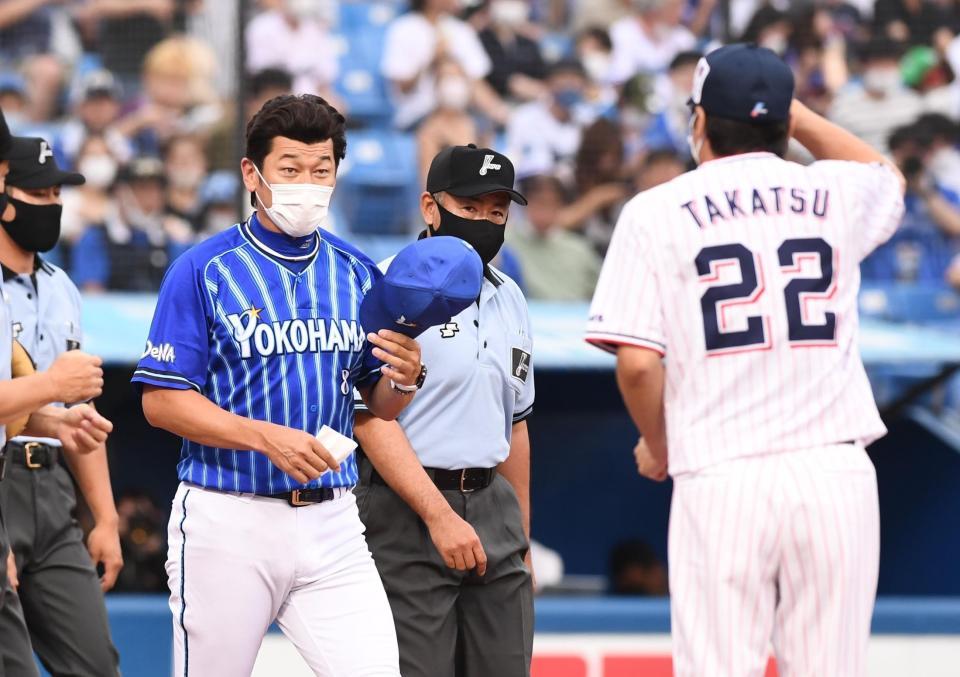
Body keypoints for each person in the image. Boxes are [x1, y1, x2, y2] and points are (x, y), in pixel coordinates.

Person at [586, 44, 905, 676]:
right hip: (833, 470)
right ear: (786, 123)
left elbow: (639, 366)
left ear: (699, 122)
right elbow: (883, 173)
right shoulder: (831, 192)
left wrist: (662, 441)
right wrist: (794, 115)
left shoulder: (655, 211)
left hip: (724, 473)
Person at [132, 93, 425, 676]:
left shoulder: (358, 271)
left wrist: (407, 378)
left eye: (322, 170)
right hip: (228, 514)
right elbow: (162, 401)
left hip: (335, 519)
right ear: (253, 172)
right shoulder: (203, 268)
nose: (307, 184)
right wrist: (265, 437)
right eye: (290, 169)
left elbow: (379, 404)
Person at [354, 144, 535, 677]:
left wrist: (520, 535)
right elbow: (367, 416)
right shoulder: (385, 284)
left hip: (492, 505)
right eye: (471, 207)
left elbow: (517, 424)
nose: (485, 221)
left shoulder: (510, 296)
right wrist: (438, 515)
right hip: (406, 510)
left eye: (497, 212)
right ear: (431, 208)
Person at [1, 135, 122, 676]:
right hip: (2, 480)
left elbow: (82, 419)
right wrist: (52, 387)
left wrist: (106, 517)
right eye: (37, 193)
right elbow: (55, 388)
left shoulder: (62, 286)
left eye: (56, 193)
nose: (50, 205)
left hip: (50, 488)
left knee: (95, 664)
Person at [70, 156, 193, 292]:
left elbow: (181, 292)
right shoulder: (97, 237)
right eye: (142, 189)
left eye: (157, 190)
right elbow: (92, 292)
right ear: (121, 193)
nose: (151, 198)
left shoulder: (170, 238)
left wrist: (182, 246)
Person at [506, 174, 601, 301]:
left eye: (551, 203)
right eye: (539, 202)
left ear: (560, 205)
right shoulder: (505, 242)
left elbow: (603, 290)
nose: (544, 211)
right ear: (525, 203)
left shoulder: (579, 249)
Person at [828, 38, 924, 152]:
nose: (884, 70)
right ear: (863, 66)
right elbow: (834, 145)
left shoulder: (913, 104)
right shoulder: (843, 106)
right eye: (878, 64)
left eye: (889, 64)